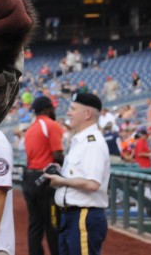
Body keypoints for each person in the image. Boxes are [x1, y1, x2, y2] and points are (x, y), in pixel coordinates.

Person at [44, 93, 110, 255]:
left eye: (73, 109)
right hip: (71, 216)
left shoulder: (92, 143)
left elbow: (92, 183)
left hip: (83, 216)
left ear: (87, 114)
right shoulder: (80, 141)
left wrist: (62, 181)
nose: (68, 113)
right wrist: (60, 176)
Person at [22, 96, 63, 255]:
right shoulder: (50, 125)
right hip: (45, 179)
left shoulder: (31, 128)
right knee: (53, 224)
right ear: (47, 109)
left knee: (35, 225)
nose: (54, 110)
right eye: (52, 107)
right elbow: (58, 155)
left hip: (30, 179)